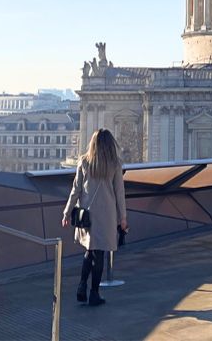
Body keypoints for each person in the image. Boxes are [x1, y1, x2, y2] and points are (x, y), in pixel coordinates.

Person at [62, 129, 128, 306]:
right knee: (99, 253)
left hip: (87, 214)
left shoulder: (84, 161)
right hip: (106, 215)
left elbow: (75, 190)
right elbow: (119, 193)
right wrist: (123, 217)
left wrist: (67, 212)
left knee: (89, 251)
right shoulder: (115, 164)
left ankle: (81, 286)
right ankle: (94, 293)